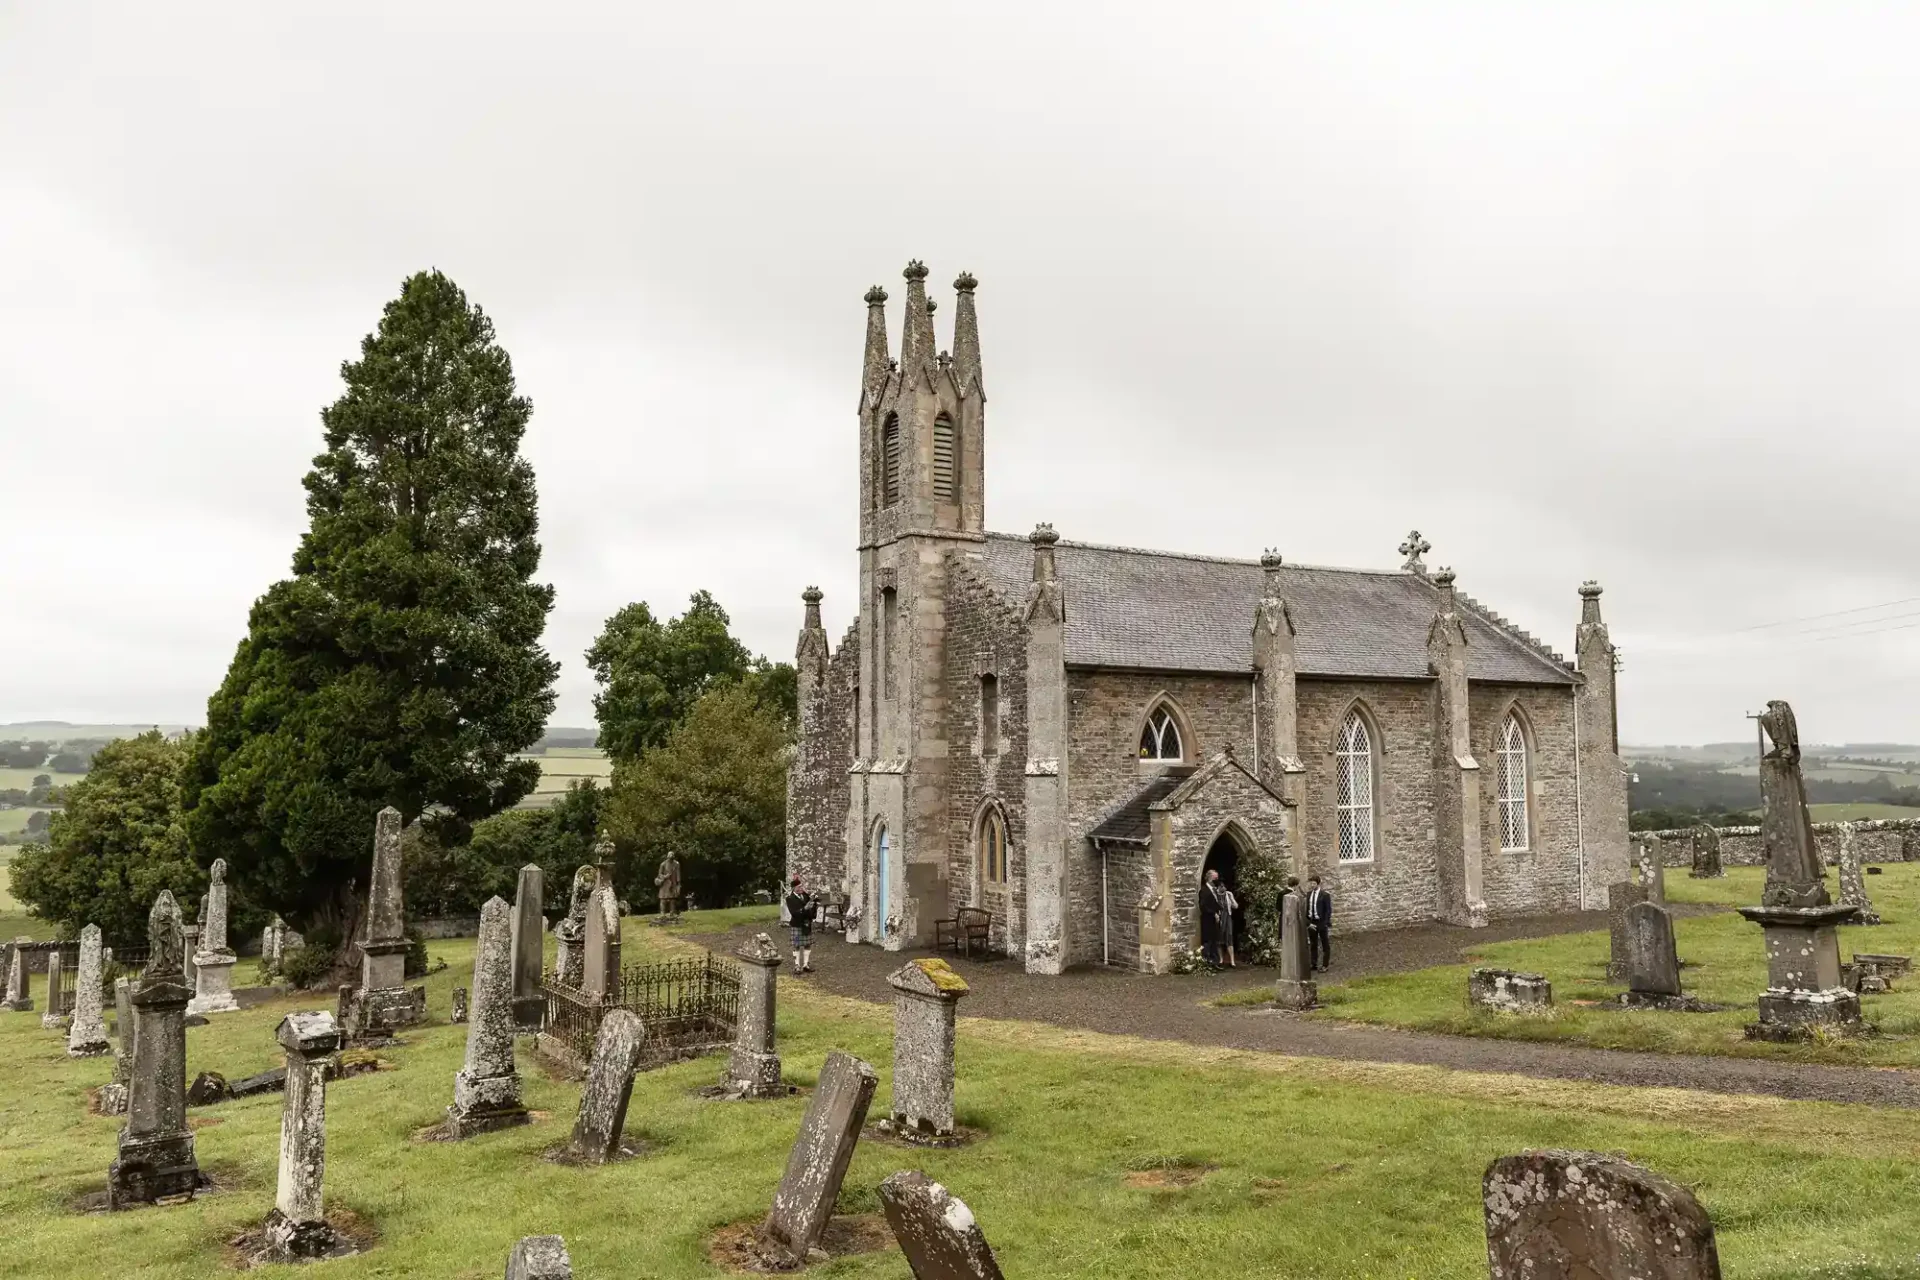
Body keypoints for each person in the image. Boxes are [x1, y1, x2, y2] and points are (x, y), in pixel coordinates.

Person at [784, 875, 818, 973]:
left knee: (808, 944)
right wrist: (805, 909)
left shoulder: (806, 896)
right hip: (797, 924)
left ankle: (806, 965)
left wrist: (814, 902)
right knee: (796, 945)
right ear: (794, 888)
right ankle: (797, 966)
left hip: (806, 923)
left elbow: (811, 907)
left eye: (801, 886)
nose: (801, 888)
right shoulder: (790, 899)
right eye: (799, 887)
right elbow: (794, 913)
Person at [1199, 868, 1232, 967]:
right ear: (1210, 878)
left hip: (1215, 920)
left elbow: (1215, 903)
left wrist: (1220, 910)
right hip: (1208, 920)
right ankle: (1207, 963)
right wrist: (1214, 913)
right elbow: (1203, 906)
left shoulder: (1214, 890)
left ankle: (1214, 963)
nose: (1217, 880)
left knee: (1214, 941)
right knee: (1208, 941)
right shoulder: (1204, 890)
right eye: (1215, 878)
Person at [1306, 876, 1333, 972]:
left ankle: (1325, 965)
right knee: (1313, 944)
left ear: (1318, 884)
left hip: (1321, 922)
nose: (1312, 885)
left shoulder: (1324, 895)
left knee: (1325, 944)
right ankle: (1314, 963)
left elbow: (1328, 910)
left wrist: (1325, 923)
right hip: (1312, 922)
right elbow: (1307, 909)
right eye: (1310, 883)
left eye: (1313, 883)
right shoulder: (1308, 894)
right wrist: (1308, 922)